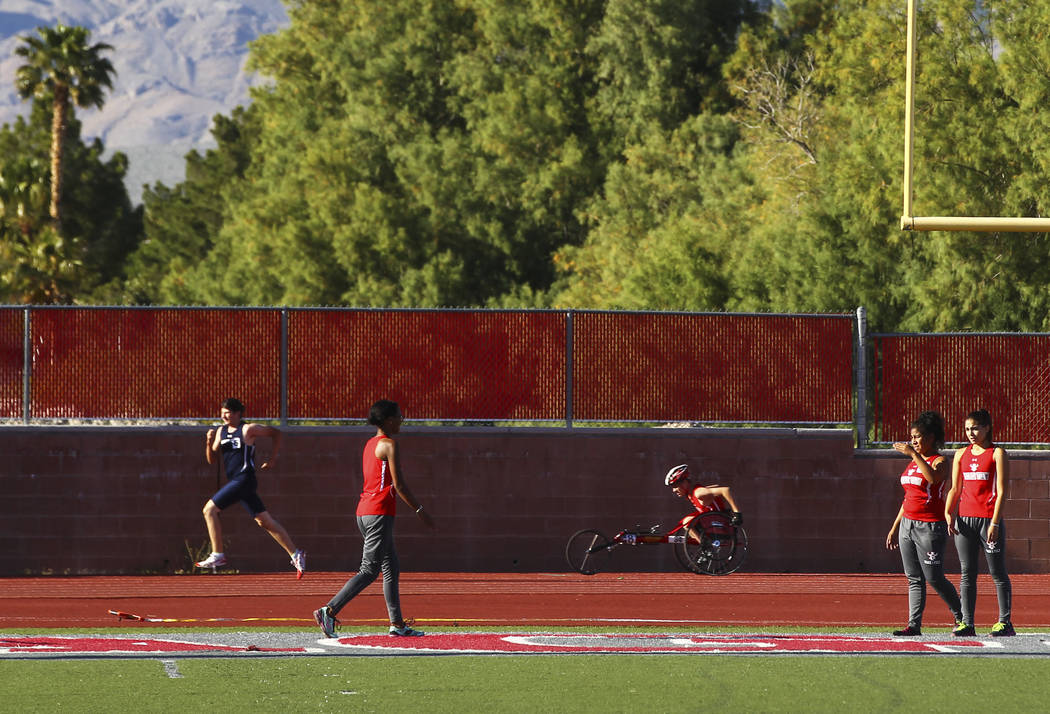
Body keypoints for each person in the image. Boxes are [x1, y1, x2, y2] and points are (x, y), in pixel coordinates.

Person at [314, 399, 435, 638]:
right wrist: (420, 510)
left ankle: (397, 624)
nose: (402, 420)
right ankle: (329, 610)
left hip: (366, 512)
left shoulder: (370, 443)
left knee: (391, 567)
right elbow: (398, 484)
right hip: (379, 513)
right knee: (369, 570)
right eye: (399, 416)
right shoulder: (389, 444)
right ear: (388, 420)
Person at [196, 398, 306, 578]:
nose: (224, 415)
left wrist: (272, 459)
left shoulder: (247, 429)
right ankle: (296, 553)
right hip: (236, 482)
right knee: (264, 521)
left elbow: (275, 433)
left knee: (209, 510)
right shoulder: (220, 432)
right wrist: (208, 443)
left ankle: (218, 554)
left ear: (238, 413)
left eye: (229, 412)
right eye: (222, 411)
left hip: (244, 479)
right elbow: (212, 459)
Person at [885, 410, 963, 636]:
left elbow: (932, 478)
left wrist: (912, 454)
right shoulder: (912, 463)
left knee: (934, 576)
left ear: (930, 437)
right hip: (907, 525)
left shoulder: (939, 461)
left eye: (918, 437)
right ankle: (913, 625)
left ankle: (962, 617)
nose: (914, 441)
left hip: (929, 526)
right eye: (912, 437)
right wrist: (894, 527)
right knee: (913, 578)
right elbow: (908, 497)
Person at [944, 409, 1014, 637]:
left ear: (986, 427)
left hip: (988, 521)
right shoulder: (960, 454)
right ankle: (967, 622)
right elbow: (955, 488)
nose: (970, 433)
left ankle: (1005, 622)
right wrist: (948, 512)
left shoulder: (997, 453)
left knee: (997, 572)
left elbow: (1002, 491)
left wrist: (995, 522)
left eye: (975, 428)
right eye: (967, 429)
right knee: (967, 573)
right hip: (965, 521)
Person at [664, 464, 743, 527]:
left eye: (675, 486)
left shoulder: (698, 492)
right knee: (686, 522)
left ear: (684, 483)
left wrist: (737, 513)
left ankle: (704, 544)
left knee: (687, 521)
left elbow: (725, 490)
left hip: (719, 522)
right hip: (710, 522)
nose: (674, 490)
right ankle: (703, 543)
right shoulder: (692, 494)